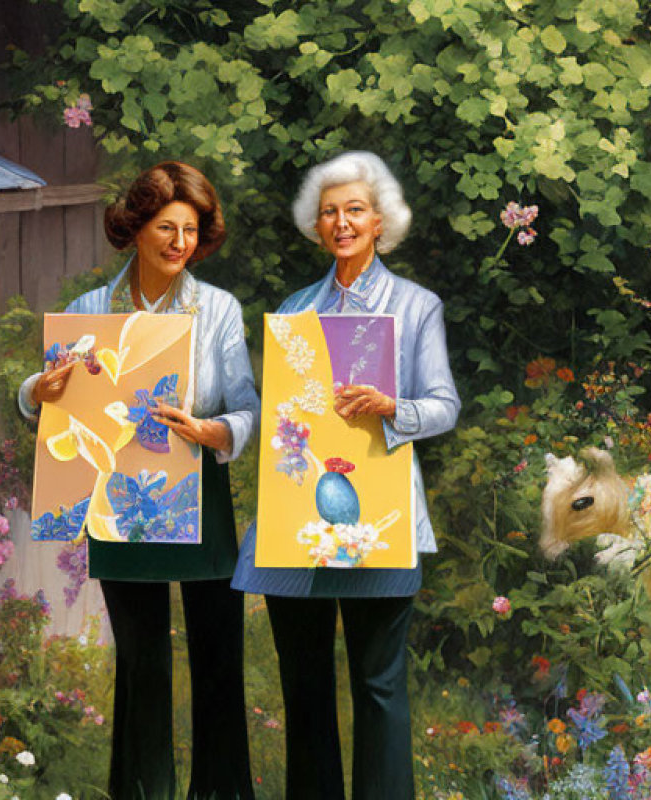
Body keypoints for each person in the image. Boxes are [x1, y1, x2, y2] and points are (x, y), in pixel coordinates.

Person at [19, 161, 259, 800]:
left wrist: (214, 432)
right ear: (135, 230)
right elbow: (48, 397)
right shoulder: (88, 312)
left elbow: (248, 409)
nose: (180, 242)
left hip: (197, 490)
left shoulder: (220, 310)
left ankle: (223, 794)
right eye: (165, 227)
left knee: (217, 658)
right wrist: (35, 390)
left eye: (190, 230)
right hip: (117, 501)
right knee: (142, 663)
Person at [232, 151, 460, 799]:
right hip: (293, 516)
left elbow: (444, 407)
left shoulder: (416, 307)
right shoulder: (296, 309)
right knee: (304, 686)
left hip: (378, 519)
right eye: (329, 212)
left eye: (355, 209)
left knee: (379, 686)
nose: (342, 222)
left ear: (381, 221)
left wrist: (395, 408)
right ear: (315, 225)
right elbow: (283, 421)